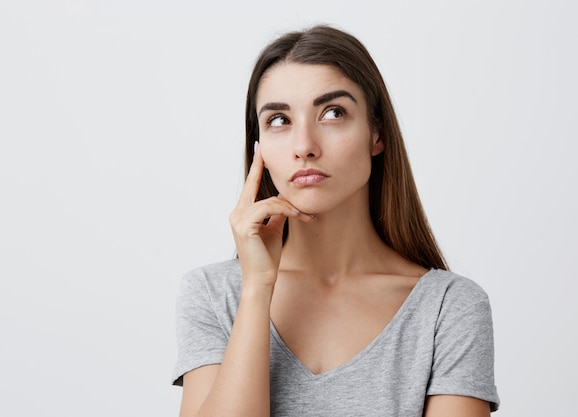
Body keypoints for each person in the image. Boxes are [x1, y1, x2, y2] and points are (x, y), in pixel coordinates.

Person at [172, 25, 499, 417]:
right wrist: (257, 289)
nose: (304, 146)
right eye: (278, 120)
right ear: (258, 144)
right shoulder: (212, 294)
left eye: (332, 113)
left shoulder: (450, 309)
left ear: (376, 133)